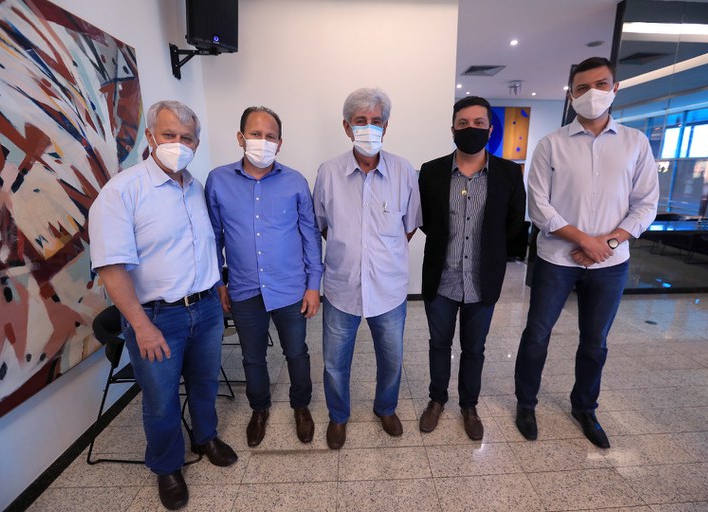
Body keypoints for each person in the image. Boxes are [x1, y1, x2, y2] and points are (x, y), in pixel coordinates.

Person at [89, 100, 237, 510]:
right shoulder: (122, 192)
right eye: (169, 135)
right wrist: (140, 325)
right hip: (157, 317)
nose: (178, 144)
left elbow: (203, 247)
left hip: (205, 309)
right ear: (151, 137)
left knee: (205, 384)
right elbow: (111, 268)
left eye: (187, 138)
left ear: (197, 143)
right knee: (161, 399)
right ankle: (167, 465)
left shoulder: (196, 188)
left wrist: (217, 288)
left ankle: (205, 437)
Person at [514, 57, 659, 448]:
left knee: (595, 341)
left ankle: (585, 408)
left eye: (601, 84)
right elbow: (539, 205)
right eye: (582, 87)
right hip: (556, 260)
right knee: (537, 334)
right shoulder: (551, 144)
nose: (592, 93)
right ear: (571, 95)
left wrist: (606, 243)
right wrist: (584, 240)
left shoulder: (635, 143)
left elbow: (646, 204)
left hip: (611, 263)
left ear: (615, 88)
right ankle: (526, 404)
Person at [205, 106, 323, 448]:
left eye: (270, 136)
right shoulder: (218, 180)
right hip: (244, 290)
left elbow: (310, 236)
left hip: (290, 288)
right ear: (240, 137)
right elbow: (213, 237)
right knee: (252, 356)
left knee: (296, 352)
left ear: (280, 143)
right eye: (255, 134)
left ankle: (301, 406)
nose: (263, 141)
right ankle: (259, 409)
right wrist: (218, 283)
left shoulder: (295, 181)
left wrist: (313, 286)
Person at [313, 87, 422, 449]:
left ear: (386, 127)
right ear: (347, 127)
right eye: (360, 121)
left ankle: (386, 408)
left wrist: (379, 254)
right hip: (341, 287)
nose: (369, 128)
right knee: (334, 363)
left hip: (388, 288)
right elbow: (322, 226)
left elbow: (408, 226)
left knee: (391, 359)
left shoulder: (404, 171)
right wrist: (353, 250)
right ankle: (338, 415)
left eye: (376, 121)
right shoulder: (328, 173)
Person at [418, 96, 526, 440]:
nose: (471, 129)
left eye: (479, 123)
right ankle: (437, 399)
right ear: (452, 129)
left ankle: (469, 405)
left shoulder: (509, 173)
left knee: (474, 348)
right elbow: (426, 221)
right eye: (463, 123)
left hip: (483, 279)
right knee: (439, 344)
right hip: (442, 278)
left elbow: (513, 224)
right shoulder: (431, 171)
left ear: (490, 129)